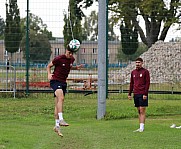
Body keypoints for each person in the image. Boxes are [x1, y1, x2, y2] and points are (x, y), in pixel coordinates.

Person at [47, 45, 83, 137]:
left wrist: (76, 68)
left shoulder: (72, 60)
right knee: (61, 98)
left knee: (57, 103)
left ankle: (56, 125)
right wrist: (49, 73)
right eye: (69, 53)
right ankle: (61, 119)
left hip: (63, 83)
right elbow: (49, 66)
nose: (70, 55)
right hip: (55, 81)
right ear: (66, 51)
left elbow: (69, 66)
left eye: (71, 53)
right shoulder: (59, 58)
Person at [128, 57, 150, 132]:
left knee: (142, 110)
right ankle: (140, 126)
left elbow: (147, 83)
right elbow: (131, 83)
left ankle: (142, 128)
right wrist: (129, 93)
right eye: (136, 62)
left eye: (139, 62)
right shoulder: (133, 72)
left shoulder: (145, 72)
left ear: (142, 63)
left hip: (142, 93)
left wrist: (145, 94)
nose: (137, 64)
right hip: (136, 93)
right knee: (138, 110)